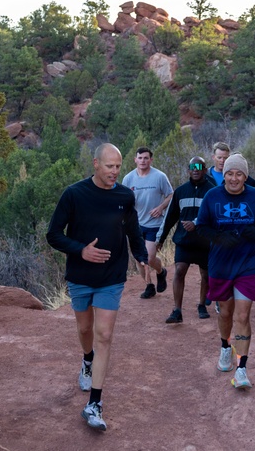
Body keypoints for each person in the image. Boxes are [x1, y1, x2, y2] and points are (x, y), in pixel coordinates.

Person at [46, 143, 148, 432]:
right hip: (80, 274)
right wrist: (81, 251)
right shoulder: (74, 194)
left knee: (105, 335)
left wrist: (140, 256)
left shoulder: (125, 196)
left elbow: (132, 230)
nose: (115, 171)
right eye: (109, 166)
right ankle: (87, 360)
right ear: (95, 164)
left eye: (118, 166)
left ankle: (95, 403)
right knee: (85, 330)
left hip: (112, 276)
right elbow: (53, 235)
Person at [195, 153, 255, 390]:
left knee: (242, 316)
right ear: (224, 175)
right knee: (225, 313)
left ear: (245, 176)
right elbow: (201, 227)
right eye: (230, 173)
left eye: (239, 173)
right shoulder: (212, 196)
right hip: (220, 264)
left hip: (247, 264)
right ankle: (224, 347)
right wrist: (219, 237)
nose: (234, 178)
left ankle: (241, 368)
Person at [158, 156, 217, 323]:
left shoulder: (212, 192)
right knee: (179, 271)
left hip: (205, 241)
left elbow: (215, 217)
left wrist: (197, 224)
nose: (196, 169)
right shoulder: (180, 191)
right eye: (193, 166)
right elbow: (170, 217)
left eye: (200, 166)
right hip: (184, 240)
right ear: (189, 170)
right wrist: (160, 239)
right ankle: (177, 310)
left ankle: (201, 305)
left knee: (205, 275)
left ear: (205, 169)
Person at [122, 147, 174, 300]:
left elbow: (171, 195)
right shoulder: (128, 178)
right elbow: (125, 199)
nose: (143, 161)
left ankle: (160, 272)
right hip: (135, 224)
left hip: (154, 223)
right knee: (139, 258)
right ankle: (149, 286)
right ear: (135, 159)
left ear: (151, 160)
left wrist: (160, 207)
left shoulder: (159, 176)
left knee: (149, 258)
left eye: (146, 158)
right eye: (140, 158)